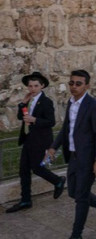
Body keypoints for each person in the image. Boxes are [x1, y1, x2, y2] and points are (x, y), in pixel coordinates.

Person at [47, 70, 96, 239]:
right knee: (73, 192)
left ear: (87, 85)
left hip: (88, 159)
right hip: (73, 157)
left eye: (78, 83)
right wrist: (53, 147)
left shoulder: (95, 106)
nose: (74, 87)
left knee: (81, 198)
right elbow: (66, 129)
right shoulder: (71, 103)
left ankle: (76, 235)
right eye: (71, 83)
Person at [6, 72, 66, 213]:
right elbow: (22, 116)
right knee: (23, 170)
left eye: (35, 86)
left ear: (42, 86)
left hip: (40, 140)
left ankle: (58, 181)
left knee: (37, 168)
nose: (32, 88)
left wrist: (35, 120)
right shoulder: (29, 99)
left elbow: (51, 122)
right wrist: (23, 103)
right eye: (30, 86)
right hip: (28, 139)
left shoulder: (46, 102)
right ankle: (25, 200)